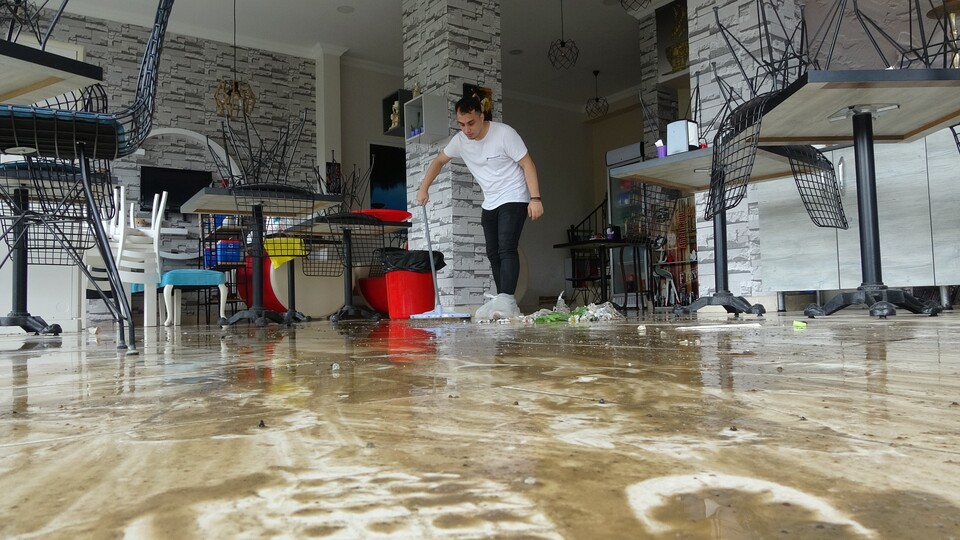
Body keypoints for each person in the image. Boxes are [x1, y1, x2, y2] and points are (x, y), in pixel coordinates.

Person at [416, 96, 543, 320]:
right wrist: (424, 188)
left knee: (506, 247)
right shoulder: (460, 141)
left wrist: (535, 198)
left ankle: (507, 299)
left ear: (481, 117)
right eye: (462, 124)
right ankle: (505, 302)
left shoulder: (504, 134)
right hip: (490, 201)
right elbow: (438, 161)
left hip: (514, 196)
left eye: (471, 123)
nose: (467, 130)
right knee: (493, 253)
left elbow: (527, 164)